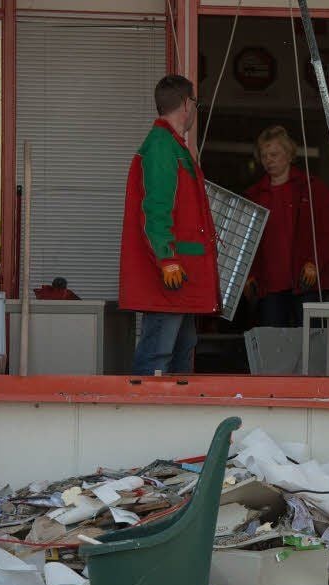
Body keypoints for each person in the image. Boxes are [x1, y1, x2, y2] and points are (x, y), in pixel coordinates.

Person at [119, 75, 219, 375]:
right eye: (195, 103)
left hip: (181, 274)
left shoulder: (171, 146)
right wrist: (167, 258)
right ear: (187, 104)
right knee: (158, 354)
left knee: (180, 350)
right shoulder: (162, 147)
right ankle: (145, 405)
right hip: (172, 273)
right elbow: (156, 210)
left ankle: (173, 404)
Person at [244, 125, 329, 327]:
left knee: (311, 340)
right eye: (264, 156)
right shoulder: (254, 195)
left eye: (274, 154)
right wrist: (249, 274)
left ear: (289, 155)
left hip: (307, 282)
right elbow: (246, 240)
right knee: (272, 341)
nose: (269, 160)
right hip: (269, 287)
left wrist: (315, 262)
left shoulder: (312, 188)